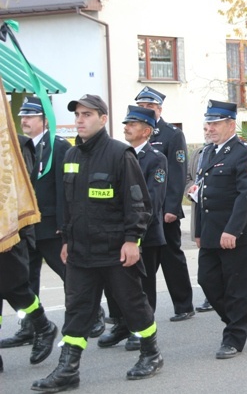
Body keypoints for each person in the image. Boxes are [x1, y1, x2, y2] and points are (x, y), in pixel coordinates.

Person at [33, 94, 162, 392]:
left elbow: (139, 203)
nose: (80, 120)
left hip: (115, 250)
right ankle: (68, 368)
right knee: (76, 309)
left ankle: (151, 353)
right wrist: (66, 238)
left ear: (103, 119)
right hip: (80, 251)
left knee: (132, 305)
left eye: (87, 115)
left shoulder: (120, 154)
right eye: (77, 115)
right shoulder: (71, 157)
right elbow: (68, 204)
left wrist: (133, 240)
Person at [1, 98, 75, 351]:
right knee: (24, 280)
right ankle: (30, 328)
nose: (24, 121)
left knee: (65, 274)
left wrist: (63, 224)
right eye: (22, 116)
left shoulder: (48, 146)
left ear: (45, 120)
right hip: (25, 227)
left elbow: (61, 188)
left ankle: (83, 316)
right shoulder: (19, 144)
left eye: (30, 116)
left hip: (39, 226)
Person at [192, 100, 247, 359]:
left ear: (231, 124)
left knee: (236, 286)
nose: (208, 128)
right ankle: (234, 320)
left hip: (236, 233)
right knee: (206, 280)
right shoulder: (208, 153)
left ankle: (234, 336)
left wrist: (232, 230)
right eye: (207, 123)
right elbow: (203, 195)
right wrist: (198, 231)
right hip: (211, 232)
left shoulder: (244, 153)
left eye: (214, 123)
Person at [98, 106, 168, 351]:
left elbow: (152, 199)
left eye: (133, 124)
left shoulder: (156, 159)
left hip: (145, 235)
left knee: (142, 286)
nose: (126, 127)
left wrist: (134, 232)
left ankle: (142, 329)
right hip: (118, 233)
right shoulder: (119, 154)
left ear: (146, 131)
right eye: (126, 122)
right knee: (114, 284)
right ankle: (120, 324)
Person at [135, 86, 194, 322]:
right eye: (142, 106)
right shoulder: (136, 134)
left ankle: (184, 305)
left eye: (150, 106)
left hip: (164, 211)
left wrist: (171, 208)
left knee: (172, 258)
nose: (145, 110)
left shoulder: (172, 134)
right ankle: (146, 310)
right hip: (144, 212)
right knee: (146, 262)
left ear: (159, 109)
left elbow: (177, 173)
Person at [0, 132, 58, 374]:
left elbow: (20, 188)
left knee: (13, 286)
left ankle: (43, 326)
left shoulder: (14, 143)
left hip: (10, 228)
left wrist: (9, 228)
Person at [185, 128, 214, 313]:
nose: (208, 131)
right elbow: (187, 177)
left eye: (211, 127)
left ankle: (220, 294)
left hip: (217, 211)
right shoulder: (197, 153)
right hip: (199, 209)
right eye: (204, 129)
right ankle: (210, 296)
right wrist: (191, 188)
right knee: (205, 254)